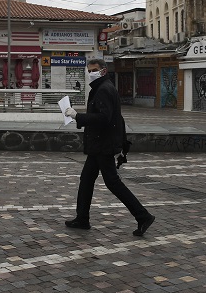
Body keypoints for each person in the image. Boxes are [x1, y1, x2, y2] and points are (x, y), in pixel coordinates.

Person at [64, 59, 155, 236]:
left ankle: (143, 216)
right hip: (99, 145)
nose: (91, 73)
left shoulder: (104, 89)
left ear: (103, 71)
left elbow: (104, 118)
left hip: (102, 145)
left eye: (94, 70)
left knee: (113, 183)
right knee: (86, 180)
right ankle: (82, 218)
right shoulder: (102, 87)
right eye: (89, 70)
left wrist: (78, 116)